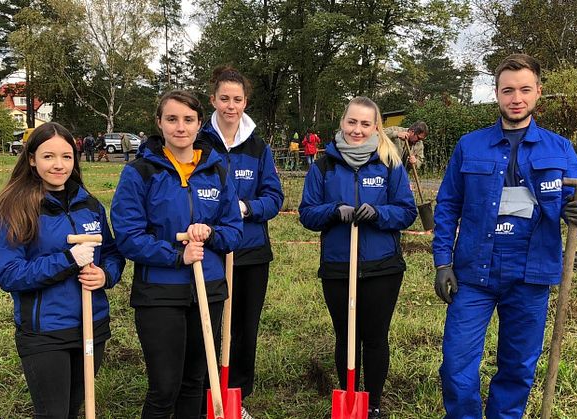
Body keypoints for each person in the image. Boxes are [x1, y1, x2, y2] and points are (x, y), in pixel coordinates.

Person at [432, 54, 577, 419]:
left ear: (538, 92)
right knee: (456, 366)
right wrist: (443, 262)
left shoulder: (560, 149)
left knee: (518, 367)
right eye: (508, 90)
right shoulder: (469, 146)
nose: (515, 98)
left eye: (524, 89)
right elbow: (446, 207)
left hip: (531, 274)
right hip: (474, 273)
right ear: (497, 94)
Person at [110, 90, 243, 418]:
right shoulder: (140, 173)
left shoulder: (217, 171)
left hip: (207, 289)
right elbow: (128, 237)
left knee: (193, 382)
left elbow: (234, 231)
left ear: (200, 123)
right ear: (159, 123)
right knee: (164, 387)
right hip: (159, 293)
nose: (180, 127)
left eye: (188, 120)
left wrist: (210, 233)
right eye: (171, 119)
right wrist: (175, 255)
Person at [0, 122, 125, 418]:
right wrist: (68, 260)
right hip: (45, 332)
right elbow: (9, 273)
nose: (58, 165)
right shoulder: (16, 208)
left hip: (91, 324)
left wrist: (106, 275)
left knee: (73, 408)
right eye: (48, 156)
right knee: (54, 413)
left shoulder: (89, 204)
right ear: (32, 159)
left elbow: (111, 252)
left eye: (66, 156)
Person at [299, 96, 418, 419]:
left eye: (366, 124)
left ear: (376, 127)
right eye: (352, 122)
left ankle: (374, 403)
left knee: (375, 336)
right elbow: (307, 214)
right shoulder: (323, 166)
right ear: (342, 122)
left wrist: (378, 212)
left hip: (382, 267)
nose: (358, 129)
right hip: (338, 266)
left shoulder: (389, 163)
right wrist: (334, 211)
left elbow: (407, 212)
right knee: (346, 335)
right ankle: (348, 398)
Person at [197, 66, 284, 419]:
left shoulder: (258, 147)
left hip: (250, 252)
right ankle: (205, 392)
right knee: (209, 324)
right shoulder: (199, 142)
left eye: (237, 99)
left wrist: (246, 207)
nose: (230, 106)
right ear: (213, 100)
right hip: (212, 251)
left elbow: (274, 197)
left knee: (245, 325)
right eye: (224, 99)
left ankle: (237, 395)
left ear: (245, 102)